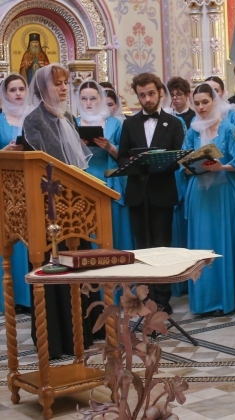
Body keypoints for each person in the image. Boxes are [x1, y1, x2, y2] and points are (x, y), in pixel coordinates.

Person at [22, 64, 100, 358]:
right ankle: (57, 337)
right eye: (57, 83)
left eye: (66, 83)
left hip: (73, 205)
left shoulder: (67, 116)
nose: (64, 88)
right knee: (54, 265)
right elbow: (40, 163)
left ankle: (83, 330)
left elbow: (76, 161)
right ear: (43, 88)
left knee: (76, 262)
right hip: (48, 207)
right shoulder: (33, 120)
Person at [117, 73, 185, 315]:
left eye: (151, 94)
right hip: (138, 193)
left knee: (162, 248)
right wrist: (135, 162)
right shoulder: (129, 124)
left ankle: (163, 300)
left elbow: (178, 157)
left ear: (160, 93)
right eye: (142, 95)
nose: (147, 99)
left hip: (162, 191)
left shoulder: (174, 123)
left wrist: (159, 162)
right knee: (143, 248)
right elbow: (121, 157)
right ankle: (145, 298)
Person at [183, 84, 235, 315]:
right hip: (199, 195)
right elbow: (183, 166)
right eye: (197, 103)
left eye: (205, 102)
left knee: (224, 244)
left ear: (215, 101)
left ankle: (226, 300)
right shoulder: (191, 131)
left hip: (224, 194)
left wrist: (221, 166)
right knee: (201, 246)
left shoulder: (229, 128)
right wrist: (191, 167)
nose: (201, 107)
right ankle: (204, 301)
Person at [75, 81, 135, 252]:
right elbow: (65, 155)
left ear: (100, 99)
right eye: (84, 98)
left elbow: (124, 156)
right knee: (88, 226)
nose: (88, 103)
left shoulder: (114, 123)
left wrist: (108, 146)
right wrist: (78, 146)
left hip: (109, 179)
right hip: (82, 179)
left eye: (93, 98)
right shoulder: (74, 123)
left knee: (112, 225)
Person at [0, 74, 33, 313]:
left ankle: (32, 296)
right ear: (5, 93)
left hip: (31, 185)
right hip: (6, 188)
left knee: (31, 239)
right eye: (13, 90)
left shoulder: (34, 118)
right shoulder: (0, 120)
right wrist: (5, 150)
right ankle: (12, 298)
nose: (18, 93)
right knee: (10, 239)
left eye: (22, 88)